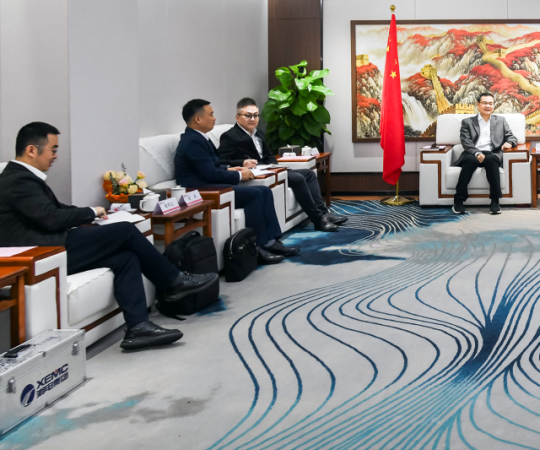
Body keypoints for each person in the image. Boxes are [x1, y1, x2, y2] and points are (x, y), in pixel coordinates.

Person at [0, 123, 217, 350]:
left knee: (125, 258)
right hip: (44, 254)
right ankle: (174, 282)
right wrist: (90, 213)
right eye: (53, 150)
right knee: (125, 230)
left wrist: (91, 213)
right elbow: (51, 218)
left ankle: (138, 327)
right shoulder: (17, 180)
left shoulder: (23, 177)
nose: (55, 156)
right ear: (31, 150)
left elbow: (55, 209)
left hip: (53, 247)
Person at [173, 99, 299, 265]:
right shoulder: (192, 141)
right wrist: (238, 176)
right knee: (255, 194)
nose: (214, 118)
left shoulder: (200, 137)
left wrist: (230, 168)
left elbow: (212, 166)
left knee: (264, 190)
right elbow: (209, 173)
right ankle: (257, 247)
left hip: (210, 184)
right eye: (211, 114)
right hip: (200, 190)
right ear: (198, 119)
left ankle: (271, 241)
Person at [217, 98, 347, 233]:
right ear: (237, 117)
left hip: (270, 170)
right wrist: (242, 163)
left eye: (256, 115)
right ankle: (318, 220)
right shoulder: (230, 136)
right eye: (248, 115)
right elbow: (221, 160)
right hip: (256, 175)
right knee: (297, 178)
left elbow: (268, 155)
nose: (253, 119)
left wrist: (276, 168)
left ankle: (324, 213)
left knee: (308, 173)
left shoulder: (258, 133)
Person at [453, 92, 519, 215]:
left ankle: (495, 201)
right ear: (478, 104)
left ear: (493, 105)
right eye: (484, 103)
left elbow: (512, 137)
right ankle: (458, 200)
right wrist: (477, 153)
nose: (488, 106)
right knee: (469, 161)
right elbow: (466, 142)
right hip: (473, 153)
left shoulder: (500, 121)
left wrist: (509, 143)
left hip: (491, 153)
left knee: (492, 160)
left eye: (490, 103)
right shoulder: (467, 122)